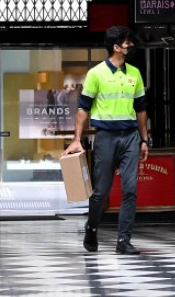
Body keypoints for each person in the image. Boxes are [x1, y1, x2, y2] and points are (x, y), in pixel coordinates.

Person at [64, 26, 149, 255]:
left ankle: (124, 240)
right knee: (101, 191)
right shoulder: (96, 74)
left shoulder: (135, 74)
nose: (130, 46)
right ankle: (91, 228)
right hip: (106, 137)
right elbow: (83, 108)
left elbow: (140, 110)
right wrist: (76, 139)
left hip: (130, 137)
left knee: (130, 190)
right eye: (127, 42)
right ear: (116, 47)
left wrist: (144, 139)